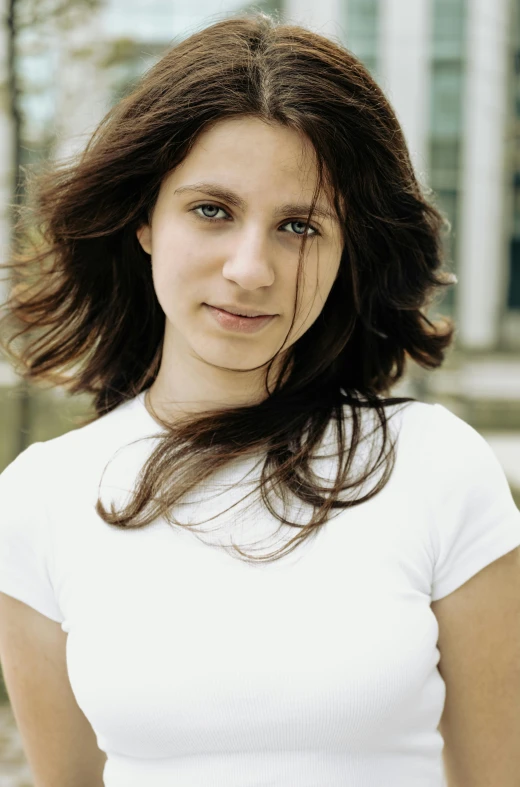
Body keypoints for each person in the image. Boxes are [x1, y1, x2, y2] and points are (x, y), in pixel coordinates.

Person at [0, 11, 519, 787]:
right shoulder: (39, 499)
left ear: (349, 251)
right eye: (212, 209)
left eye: (300, 226)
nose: (251, 268)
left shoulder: (437, 469)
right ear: (146, 218)